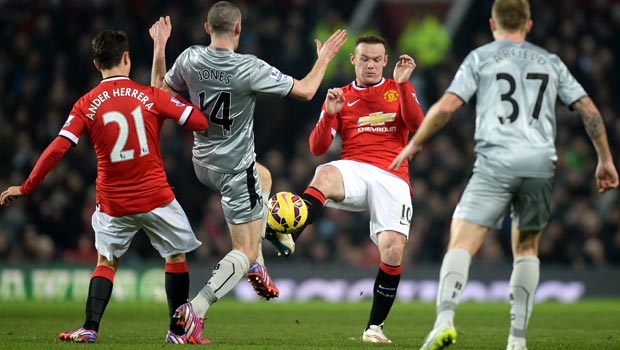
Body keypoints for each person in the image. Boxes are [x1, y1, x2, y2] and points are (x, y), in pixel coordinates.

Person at [389, 1, 619, 349]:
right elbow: (589, 110)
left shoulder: (481, 57)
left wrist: (415, 144)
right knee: (527, 248)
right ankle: (517, 341)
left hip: (496, 161)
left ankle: (445, 320)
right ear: (528, 25)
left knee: (462, 241)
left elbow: (447, 107)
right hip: (541, 163)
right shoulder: (551, 61)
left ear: (493, 23)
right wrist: (605, 159)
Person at [149, 2, 346, 343]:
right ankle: (194, 311)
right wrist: (325, 57)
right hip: (234, 171)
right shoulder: (248, 67)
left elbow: (158, 94)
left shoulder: (190, 58)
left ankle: (256, 262)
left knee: (265, 175)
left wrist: (160, 45)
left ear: (208, 28)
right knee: (245, 250)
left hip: (202, 162)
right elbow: (307, 90)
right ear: (238, 29)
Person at [0, 29, 209, 344]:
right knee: (176, 257)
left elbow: (57, 147)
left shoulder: (85, 104)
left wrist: (27, 187)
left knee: (106, 262)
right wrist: (170, 99)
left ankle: (90, 327)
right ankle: (177, 332)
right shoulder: (151, 97)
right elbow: (200, 122)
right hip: (156, 197)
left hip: (114, 204)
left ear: (97, 63)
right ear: (127, 58)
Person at [288, 35, 425, 343]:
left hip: (393, 175)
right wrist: (329, 114)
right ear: (353, 60)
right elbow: (317, 147)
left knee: (392, 250)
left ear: (385, 61)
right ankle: (289, 233)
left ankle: (373, 328)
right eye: (365, 59)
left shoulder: (397, 88)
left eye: (377, 60)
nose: (371, 65)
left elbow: (417, 126)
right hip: (356, 169)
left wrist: (403, 85)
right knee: (323, 174)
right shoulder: (342, 96)